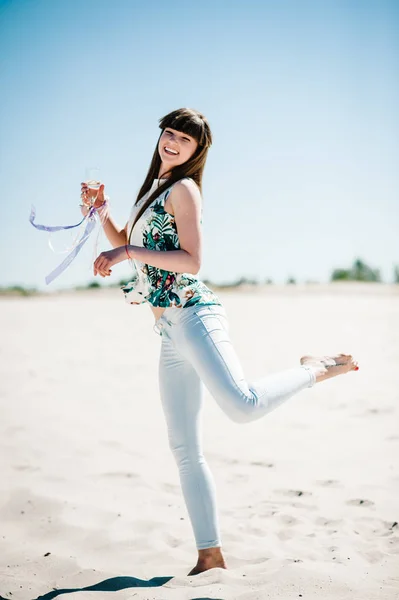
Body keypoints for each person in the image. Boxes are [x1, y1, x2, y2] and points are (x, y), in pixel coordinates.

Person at [80, 107, 359, 576]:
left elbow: (191, 261)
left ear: (195, 151)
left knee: (243, 405)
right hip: (169, 331)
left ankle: (317, 366)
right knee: (184, 446)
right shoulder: (154, 191)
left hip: (196, 316)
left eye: (183, 140)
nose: (171, 142)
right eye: (168, 133)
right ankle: (209, 556)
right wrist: (101, 213)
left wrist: (125, 249)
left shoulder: (185, 190)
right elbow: (131, 243)